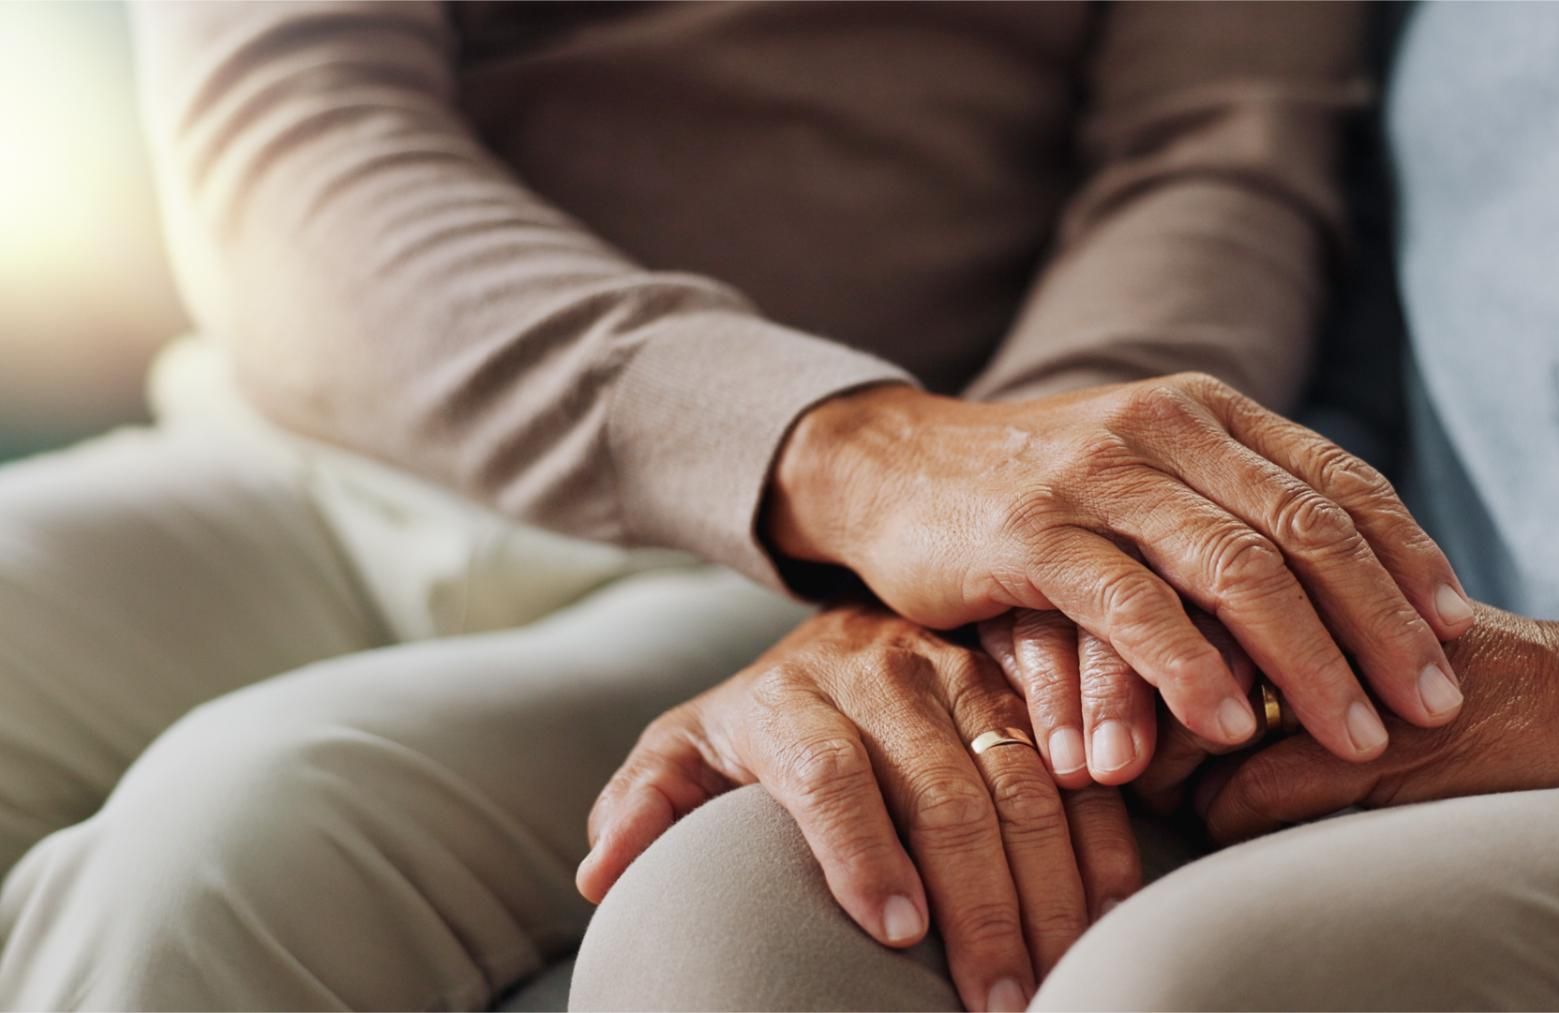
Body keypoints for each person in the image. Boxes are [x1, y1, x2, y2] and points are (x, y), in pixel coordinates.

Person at [0, 2, 1430, 1008]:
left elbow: (1207, 162)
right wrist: (832, 446)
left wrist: (1033, 519)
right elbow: (288, 140)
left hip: (817, 569)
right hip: (320, 451)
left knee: (231, 842)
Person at [570, 2, 1559, 1010]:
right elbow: (1360, 366)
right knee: (744, 914)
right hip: (1471, 624)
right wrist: (1081, 607)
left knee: (1195, 984)